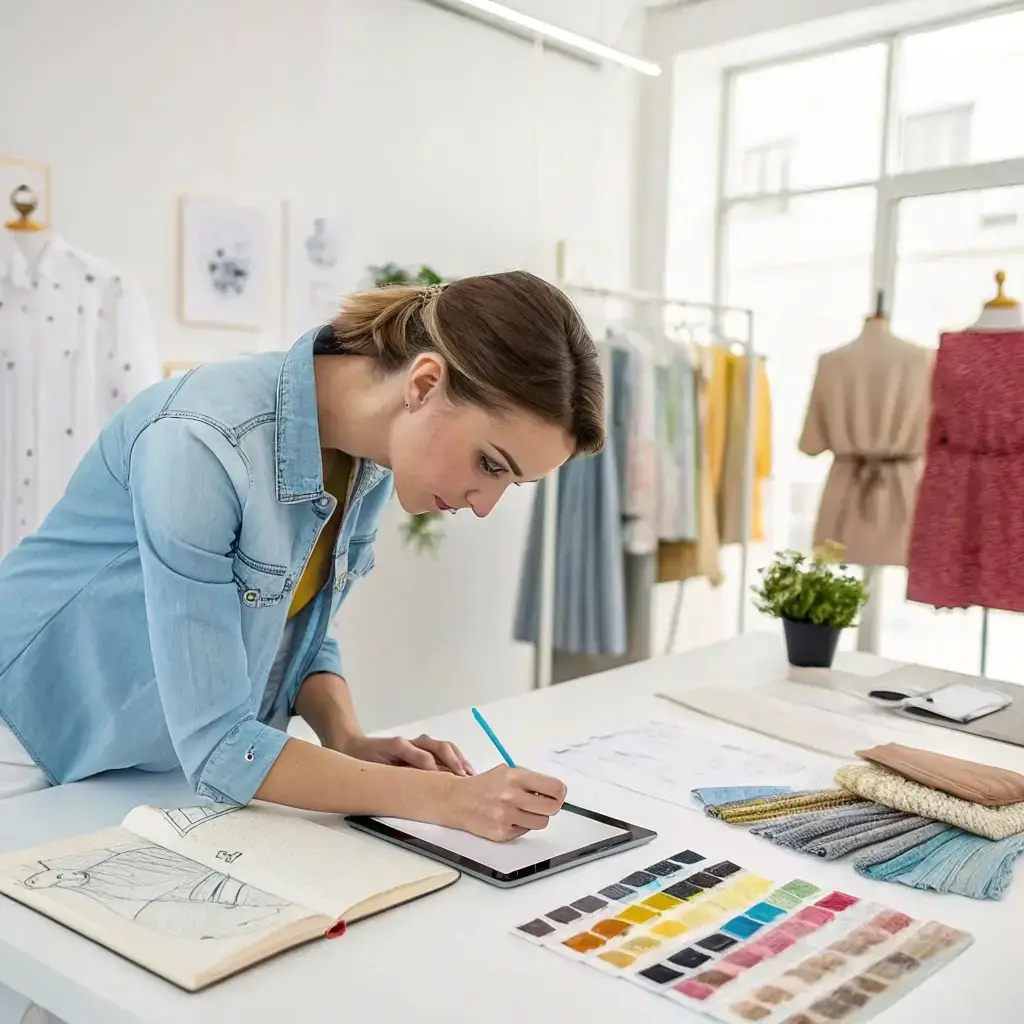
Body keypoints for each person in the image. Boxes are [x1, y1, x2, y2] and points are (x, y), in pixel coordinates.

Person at [0, 271, 605, 842]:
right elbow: (219, 748)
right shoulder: (201, 441)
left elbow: (297, 620)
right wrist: (447, 802)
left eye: (510, 483)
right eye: (490, 465)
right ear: (423, 384)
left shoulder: (367, 459)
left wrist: (344, 735)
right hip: (24, 743)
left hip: (136, 761)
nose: (485, 505)